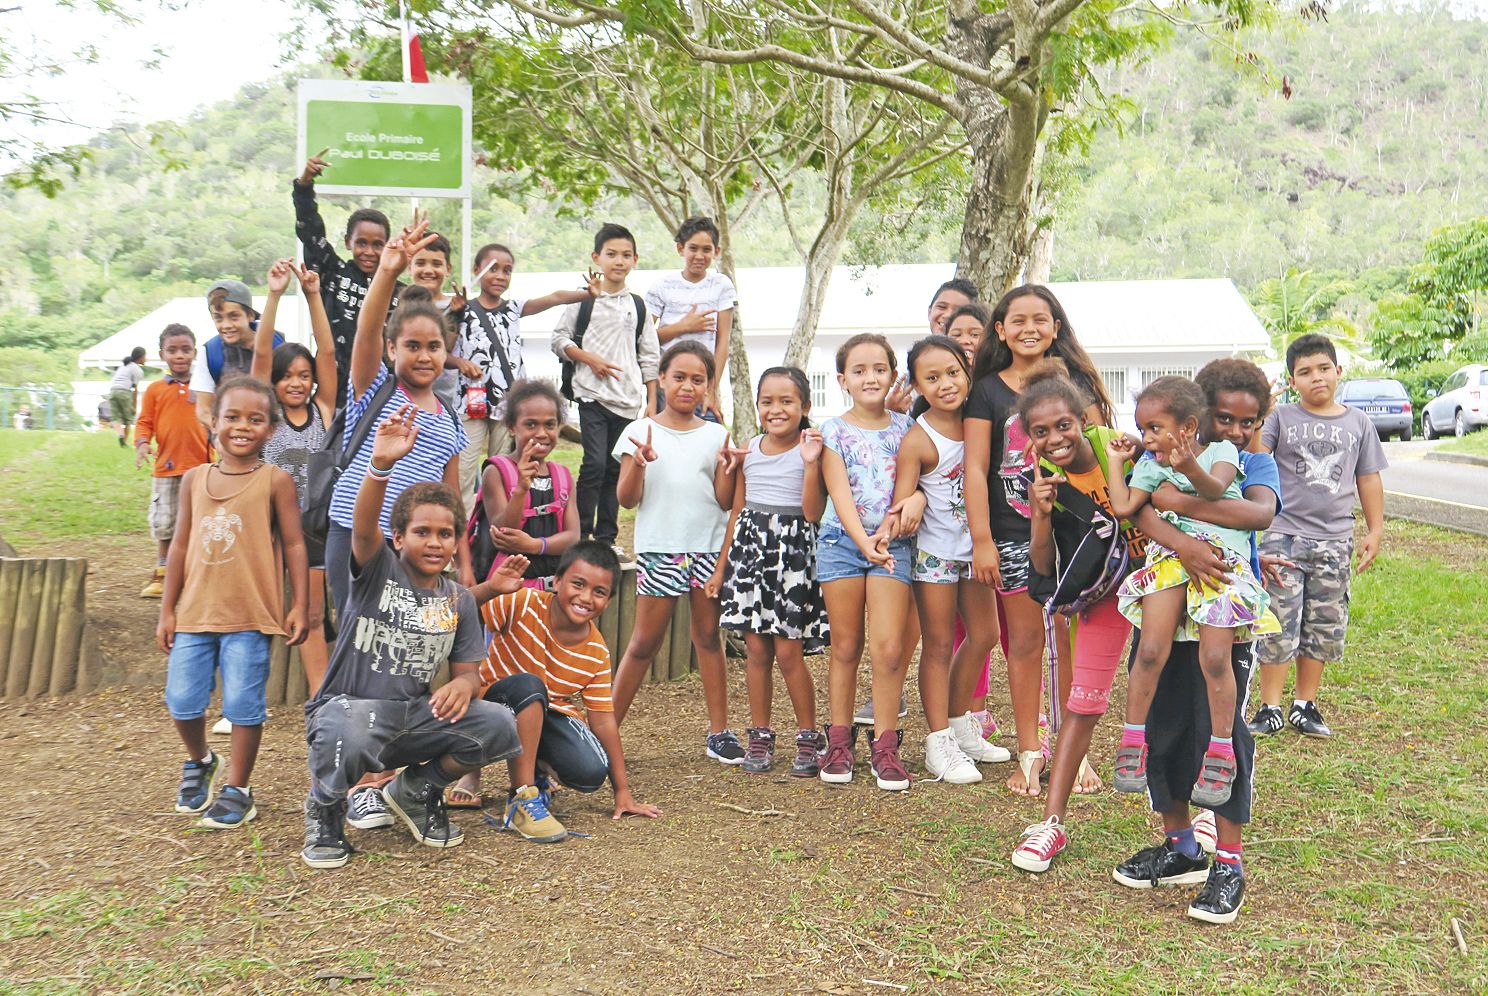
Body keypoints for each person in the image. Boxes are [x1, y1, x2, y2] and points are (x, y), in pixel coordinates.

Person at [300, 407, 527, 869]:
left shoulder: (458, 600)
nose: (434, 542)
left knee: (499, 723)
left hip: (414, 719)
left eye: (445, 534)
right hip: (348, 713)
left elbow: (469, 675)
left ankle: (416, 790)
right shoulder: (377, 572)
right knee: (350, 724)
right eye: (421, 531)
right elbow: (362, 527)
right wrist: (380, 465)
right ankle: (325, 808)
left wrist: (464, 686)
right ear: (398, 538)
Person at [1111, 357, 1282, 925]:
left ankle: (1228, 862)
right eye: (1226, 419)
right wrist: (1180, 541)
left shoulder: (1252, 460)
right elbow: (1138, 514)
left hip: (1221, 604)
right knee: (1164, 722)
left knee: (1221, 729)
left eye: (1248, 421)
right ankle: (1180, 844)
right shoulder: (1157, 453)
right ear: (1197, 414)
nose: (1236, 430)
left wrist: (1181, 504)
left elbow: (1254, 513)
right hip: (1170, 588)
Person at [965, 284, 1115, 796]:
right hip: (1011, 535)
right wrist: (982, 540)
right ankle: (1030, 750)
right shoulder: (985, 391)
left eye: (1041, 319)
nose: (1030, 328)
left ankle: (1073, 750)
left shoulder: (1076, 385)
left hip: (1075, 536)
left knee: (1065, 644)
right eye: (1018, 320)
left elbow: (1101, 454)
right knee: (1026, 643)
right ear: (1000, 330)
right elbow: (975, 469)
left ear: (1056, 326)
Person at [1007, 364, 1149, 872]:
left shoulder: (1125, 448)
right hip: (1106, 594)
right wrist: (1041, 516)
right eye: (1040, 432)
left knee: (1187, 690)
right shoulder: (1044, 482)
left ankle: (1202, 816)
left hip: (1166, 584)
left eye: (1064, 425)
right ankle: (1050, 824)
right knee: (1082, 702)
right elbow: (1044, 572)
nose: (1055, 438)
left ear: (1082, 418)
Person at [157, 377, 309, 831]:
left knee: (244, 706)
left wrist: (299, 604)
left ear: (271, 429)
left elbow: (296, 546)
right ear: (214, 421)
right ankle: (201, 760)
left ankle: (238, 789)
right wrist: (167, 609)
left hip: (250, 616)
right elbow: (180, 546)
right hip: (194, 614)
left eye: (255, 419)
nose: (242, 427)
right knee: (182, 701)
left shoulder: (275, 481)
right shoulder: (194, 480)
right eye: (233, 417)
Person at [324, 219, 473, 620]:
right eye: (412, 346)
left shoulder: (452, 422)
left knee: (403, 633)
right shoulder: (375, 388)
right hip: (356, 532)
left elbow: (453, 499)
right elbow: (365, 331)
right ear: (391, 349)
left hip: (413, 543)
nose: (424, 356)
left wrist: (464, 562)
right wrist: (388, 271)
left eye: (434, 347)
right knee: (359, 628)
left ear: (446, 351)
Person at [470, 541, 663, 839]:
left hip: (544, 714)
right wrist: (492, 589)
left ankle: (536, 770)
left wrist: (622, 791)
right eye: (578, 584)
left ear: (609, 601)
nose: (586, 598)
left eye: (599, 592)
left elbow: (603, 720)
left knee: (590, 771)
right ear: (557, 581)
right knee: (530, 687)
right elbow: (460, 612)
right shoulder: (521, 602)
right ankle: (521, 796)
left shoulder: (596, 651)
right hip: (495, 704)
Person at [610, 342, 743, 763]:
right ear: (662, 379)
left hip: (705, 550)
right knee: (643, 642)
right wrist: (640, 463)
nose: (688, 386)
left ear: (708, 386)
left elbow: (723, 501)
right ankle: (605, 731)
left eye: (698, 379)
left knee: (707, 638)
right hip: (660, 551)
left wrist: (727, 469)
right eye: (679, 377)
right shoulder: (639, 431)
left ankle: (719, 731)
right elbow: (627, 499)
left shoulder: (717, 434)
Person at [1249, 333, 1386, 740]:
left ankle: (1304, 705)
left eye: (1324, 368)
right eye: (1305, 372)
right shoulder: (1281, 418)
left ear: (1339, 371)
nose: (1317, 378)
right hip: (1283, 536)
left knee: (1322, 623)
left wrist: (1375, 530)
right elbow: (1257, 455)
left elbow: (1369, 478)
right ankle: (1270, 706)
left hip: (1335, 541)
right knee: (1279, 619)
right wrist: (1262, 414)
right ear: (1293, 381)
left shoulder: (1358, 423)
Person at [885, 335, 1008, 785]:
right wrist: (915, 496)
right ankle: (938, 742)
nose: (945, 384)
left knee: (985, 635)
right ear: (917, 386)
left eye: (952, 373)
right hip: (935, 555)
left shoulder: (982, 422)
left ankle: (961, 725)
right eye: (931, 378)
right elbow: (902, 500)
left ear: (967, 371)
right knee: (937, 644)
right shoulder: (919, 438)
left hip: (976, 551)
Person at [709, 367, 830, 776]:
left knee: (788, 652)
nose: (775, 409)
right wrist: (721, 569)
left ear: (804, 407)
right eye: (767, 401)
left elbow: (813, 513)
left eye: (786, 401)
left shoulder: (811, 449)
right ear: (757, 406)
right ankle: (759, 735)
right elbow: (734, 507)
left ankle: (809, 736)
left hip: (792, 560)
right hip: (751, 557)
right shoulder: (750, 449)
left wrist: (811, 465)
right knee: (756, 651)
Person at [816, 333, 921, 791]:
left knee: (889, 648)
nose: (870, 377)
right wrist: (864, 541)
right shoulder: (833, 430)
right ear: (843, 380)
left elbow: (917, 482)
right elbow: (838, 494)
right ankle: (838, 741)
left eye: (879, 368)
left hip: (892, 545)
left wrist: (908, 506)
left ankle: (885, 743)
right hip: (843, 542)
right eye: (858, 371)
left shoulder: (906, 429)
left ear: (893, 375)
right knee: (844, 646)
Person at [251, 259, 338, 693]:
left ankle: (321, 692)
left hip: (315, 527)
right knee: (261, 609)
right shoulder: (265, 415)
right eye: (286, 377)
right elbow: (262, 353)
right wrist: (274, 295)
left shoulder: (323, 412)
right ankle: (246, 693)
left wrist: (313, 294)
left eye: (303, 377)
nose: (297, 383)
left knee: (314, 612)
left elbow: (326, 353)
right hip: (269, 525)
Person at [451, 241, 597, 497]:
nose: (500, 276)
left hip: (508, 404)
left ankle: (496, 522)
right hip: (469, 401)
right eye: (492, 269)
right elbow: (441, 348)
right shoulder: (462, 309)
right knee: (463, 469)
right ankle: (462, 527)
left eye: (507, 271)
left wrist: (587, 293)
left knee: (504, 467)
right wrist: (459, 348)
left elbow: (555, 298)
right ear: (476, 270)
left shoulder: (513, 309)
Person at [551, 223, 661, 559]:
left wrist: (652, 400)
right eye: (611, 254)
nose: (619, 261)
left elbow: (650, 354)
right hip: (591, 396)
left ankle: (607, 536)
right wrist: (588, 359)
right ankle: (583, 532)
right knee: (595, 463)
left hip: (628, 402)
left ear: (635, 260)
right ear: (597, 257)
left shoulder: (638, 306)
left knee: (616, 468)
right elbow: (558, 339)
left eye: (626, 255)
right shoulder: (583, 300)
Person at [293, 148, 395, 405]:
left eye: (377, 244)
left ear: (388, 245)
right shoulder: (333, 273)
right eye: (362, 243)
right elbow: (311, 231)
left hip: (382, 400)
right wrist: (305, 185)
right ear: (348, 242)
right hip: (335, 396)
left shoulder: (398, 292)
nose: (369, 252)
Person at [135, 325, 210, 598]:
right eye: (173, 350)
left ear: (195, 352)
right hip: (166, 469)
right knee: (165, 524)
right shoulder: (155, 390)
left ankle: (196, 573)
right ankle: (162, 573)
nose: (180, 355)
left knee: (200, 522)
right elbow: (144, 423)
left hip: (202, 469)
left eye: (186, 350)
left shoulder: (205, 387)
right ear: (161, 354)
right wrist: (143, 444)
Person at [644, 216, 736, 421]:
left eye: (706, 250)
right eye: (693, 248)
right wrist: (683, 327)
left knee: (707, 442)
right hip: (668, 384)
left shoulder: (722, 286)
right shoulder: (663, 287)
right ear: (680, 249)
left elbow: (723, 341)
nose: (699, 255)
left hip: (702, 383)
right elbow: (644, 339)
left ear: (716, 251)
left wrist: (712, 388)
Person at [190, 279, 282, 429]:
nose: (226, 325)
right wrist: (224, 434)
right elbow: (203, 410)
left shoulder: (276, 344)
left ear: (250, 315)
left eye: (234, 316)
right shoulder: (210, 353)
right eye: (218, 318)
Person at [108, 346, 148, 447]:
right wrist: (133, 407)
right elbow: (135, 390)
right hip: (124, 392)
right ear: (140, 357)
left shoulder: (123, 366)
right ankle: (124, 443)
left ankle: (121, 435)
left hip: (112, 391)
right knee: (128, 420)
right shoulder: (137, 370)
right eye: (145, 356)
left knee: (115, 418)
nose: (146, 359)